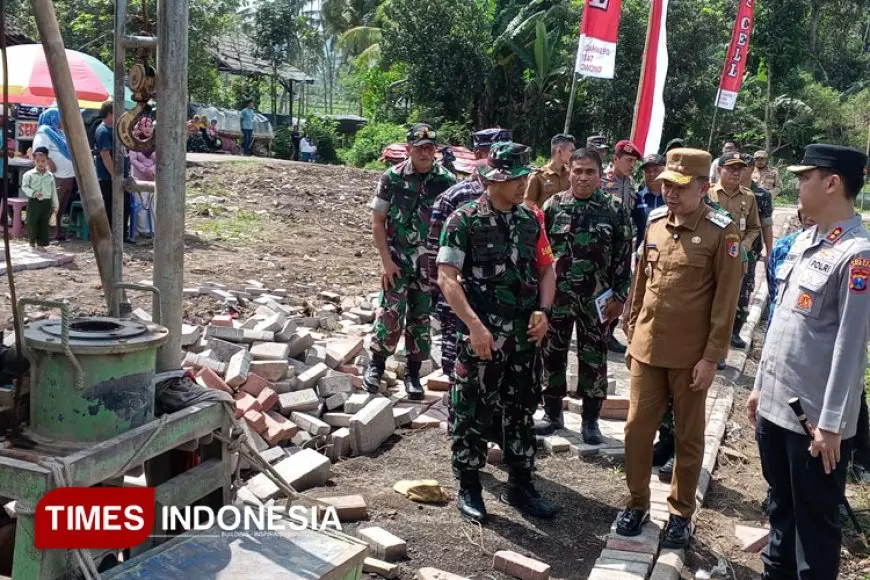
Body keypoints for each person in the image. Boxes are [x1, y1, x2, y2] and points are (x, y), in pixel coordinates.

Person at [747, 144, 870, 580]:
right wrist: (759, 387)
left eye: (805, 177)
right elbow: (782, 323)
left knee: (814, 527)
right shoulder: (805, 241)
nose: (797, 185)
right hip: (776, 406)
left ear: (832, 183)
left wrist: (832, 424)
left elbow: (850, 347)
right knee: (780, 508)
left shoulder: (857, 255)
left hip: (815, 422)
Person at [618, 148, 742, 548]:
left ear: (704, 187)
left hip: (690, 357)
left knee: (688, 437)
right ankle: (637, 502)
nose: (670, 192)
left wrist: (711, 357)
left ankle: (679, 512)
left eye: (680, 187)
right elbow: (641, 282)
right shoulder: (655, 223)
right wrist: (631, 330)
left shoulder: (722, 233)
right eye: (667, 185)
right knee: (637, 430)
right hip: (647, 349)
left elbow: (725, 302)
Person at [436, 141, 558, 522]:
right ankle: (469, 484)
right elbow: (446, 278)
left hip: (523, 339)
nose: (523, 184)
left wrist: (544, 311)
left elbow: (547, 270)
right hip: (483, 339)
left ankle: (521, 483)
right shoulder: (464, 220)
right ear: (492, 179)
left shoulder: (531, 219)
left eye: (525, 176)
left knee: (521, 409)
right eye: (515, 178)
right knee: (472, 409)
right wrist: (474, 326)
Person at [533, 148, 633, 442]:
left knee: (593, 357)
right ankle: (552, 413)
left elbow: (624, 257)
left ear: (601, 175)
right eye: (578, 171)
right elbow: (542, 256)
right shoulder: (554, 206)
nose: (583, 177)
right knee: (552, 354)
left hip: (597, 301)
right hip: (558, 298)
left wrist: (620, 297)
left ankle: (591, 420)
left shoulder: (615, 209)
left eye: (590, 172)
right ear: (569, 173)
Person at [363, 123, 456, 400]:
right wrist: (386, 261)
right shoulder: (392, 178)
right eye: (419, 148)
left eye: (430, 148)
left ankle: (413, 374)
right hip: (397, 260)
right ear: (408, 149)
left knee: (421, 317)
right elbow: (378, 222)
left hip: (429, 263)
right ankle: (376, 366)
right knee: (391, 313)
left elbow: (453, 225)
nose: (425, 153)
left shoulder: (447, 181)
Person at [427, 129, 507, 430]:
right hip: (461, 302)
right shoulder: (455, 198)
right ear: (479, 155)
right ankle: (458, 423)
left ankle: (491, 425)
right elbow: (436, 257)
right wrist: (443, 298)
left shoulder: (514, 199)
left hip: (500, 304)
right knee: (457, 365)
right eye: (492, 154)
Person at [707, 151, 761, 349]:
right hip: (711, 256)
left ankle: (721, 347)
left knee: (730, 302)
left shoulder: (749, 197)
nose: (736, 173)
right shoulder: (708, 194)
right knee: (709, 300)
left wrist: (744, 245)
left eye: (739, 169)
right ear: (719, 169)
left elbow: (754, 227)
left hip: (736, 258)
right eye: (730, 168)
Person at [600, 139, 641, 354]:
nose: (631, 165)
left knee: (619, 287)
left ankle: (608, 331)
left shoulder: (630, 183)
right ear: (615, 159)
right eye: (628, 160)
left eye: (634, 161)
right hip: (604, 243)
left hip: (623, 244)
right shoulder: (602, 180)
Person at [32, 107, 75, 240]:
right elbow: (39, 152)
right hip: (55, 176)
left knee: (61, 206)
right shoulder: (44, 132)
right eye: (60, 118)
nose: (62, 120)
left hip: (67, 175)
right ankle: (47, 233)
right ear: (53, 118)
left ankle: (56, 231)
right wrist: (51, 166)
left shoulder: (58, 133)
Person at [94, 101, 131, 239]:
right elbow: (105, 155)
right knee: (110, 206)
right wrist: (114, 175)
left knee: (125, 205)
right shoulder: (103, 131)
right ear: (110, 114)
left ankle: (122, 233)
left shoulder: (115, 129)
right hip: (108, 177)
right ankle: (111, 235)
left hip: (120, 175)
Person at [21, 147, 58, 251]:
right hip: (34, 202)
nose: (40, 163)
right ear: (34, 161)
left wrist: (55, 206)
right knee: (32, 222)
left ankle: (41, 244)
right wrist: (34, 193)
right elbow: (24, 187)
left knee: (43, 223)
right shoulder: (29, 175)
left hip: (46, 202)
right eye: (37, 161)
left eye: (43, 161)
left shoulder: (50, 176)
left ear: (47, 161)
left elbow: (53, 191)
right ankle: (32, 243)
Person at [524, 134, 575, 208]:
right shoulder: (538, 176)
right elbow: (528, 205)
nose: (574, 155)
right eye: (571, 151)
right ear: (559, 151)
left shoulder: (570, 174)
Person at [128, 117, 156, 238]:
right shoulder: (135, 143)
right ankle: (142, 229)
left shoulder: (156, 142)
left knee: (153, 205)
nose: (148, 129)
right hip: (139, 178)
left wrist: (152, 170)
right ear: (139, 128)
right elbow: (132, 159)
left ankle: (153, 229)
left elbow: (160, 159)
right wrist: (145, 170)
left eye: (150, 126)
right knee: (141, 205)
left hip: (153, 178)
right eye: (145, 126)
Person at [634, 154, 666, 249]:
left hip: (667, 250)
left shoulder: (672, 197)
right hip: (643, 251)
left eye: (656, 170)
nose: (651, 174)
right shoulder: (636, 198)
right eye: (647, 171)